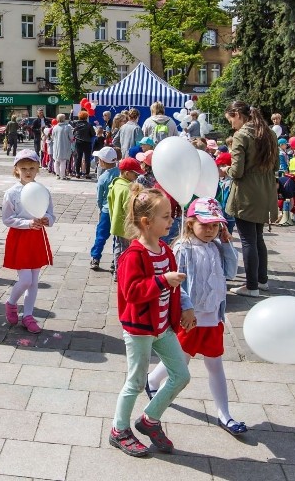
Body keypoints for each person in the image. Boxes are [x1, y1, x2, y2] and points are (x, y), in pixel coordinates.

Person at [146, 198, 244, 435]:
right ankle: (151, 382)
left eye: (215, 226)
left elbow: (231, 272)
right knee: (181, 361)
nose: (210, 230)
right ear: (190, 224)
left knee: (215, 364)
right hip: (190, 318)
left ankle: (225, 414)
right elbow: (178, 284)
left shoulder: (217, 246)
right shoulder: (183, 249)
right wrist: (185, 310)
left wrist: (228, 243)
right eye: (205, 225)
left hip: (213, 318)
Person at [110, 186, 192, 457]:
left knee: (181, 375)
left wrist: (185, 308)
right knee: (135, 381)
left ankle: (149, 419)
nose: (172, 222)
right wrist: (161, 281)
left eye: (172, 216)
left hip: (163, 327)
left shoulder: (166, 251)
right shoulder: (133, 256)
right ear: (146, 222)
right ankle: (119, 430)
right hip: (140, 330)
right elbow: (131, 293)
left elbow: (175, 287)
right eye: (166, 217)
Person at [222, 101, 278, 298]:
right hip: (266, 190)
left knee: (247, 240)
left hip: (246, 193)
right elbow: (276, 165)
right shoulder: (269, 133)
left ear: (237, 114)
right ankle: (261, 280)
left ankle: (251, 285)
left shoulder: (242, 135)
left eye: (231, 120)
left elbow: (237, 171)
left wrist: (225, 170)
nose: (231, 125)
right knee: (257, 237)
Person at [2, 149, 55, 333]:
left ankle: (29, 315)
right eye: (23, 168)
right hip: (20, 237)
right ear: (16, 169)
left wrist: (47, 219)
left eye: (32, 167)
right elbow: (7, 219)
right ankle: (10, 303)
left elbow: (50, 213)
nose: (28, 172)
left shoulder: (43, 191)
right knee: (24, 280)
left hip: (37, 237)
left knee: (33, 281)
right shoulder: (12, 193)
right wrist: (27, 223)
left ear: (38, 168)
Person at [108, 157, 144, 273]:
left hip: (116, 223)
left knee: (118, 247)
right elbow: (129, 209)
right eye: (135, 174)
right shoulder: (127, 189)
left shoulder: (116, 184)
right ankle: (121, 272)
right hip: (126, 226)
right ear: (127, 173)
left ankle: (117, 272)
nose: (136, 177)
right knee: (125, 251)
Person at [90, 147, 119, 270]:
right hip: (118, 211)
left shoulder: (103, 178)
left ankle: (95, 258)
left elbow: (99, 198)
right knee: (117, 237)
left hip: (106, 210)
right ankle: (115, 260)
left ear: (102, 162)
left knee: (101, 235)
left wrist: (100, 210)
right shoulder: (121, 173)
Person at [71, 110, 96, 178]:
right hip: (87, 142)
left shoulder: (76, 124)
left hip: (78, 142)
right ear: (86, 117)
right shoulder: (89, 125)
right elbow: (93, 134)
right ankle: (87, 173)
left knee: (79, 158)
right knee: (87, 158)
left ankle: (77, 173)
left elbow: (73, 130)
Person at [51, 114, 73, 179]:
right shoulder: (67, 127)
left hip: (56, 146)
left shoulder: (55, 127)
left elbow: (52, 137)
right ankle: (62, 175)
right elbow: (71, 137)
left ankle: (57, 174)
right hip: (65, 145)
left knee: (56, 161)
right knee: (63, 161)